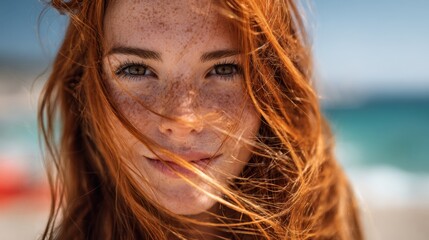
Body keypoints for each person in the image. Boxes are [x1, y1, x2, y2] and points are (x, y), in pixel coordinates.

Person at [38, 0, 363, 239]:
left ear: (273, 86)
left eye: (224, 69)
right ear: (86, 88)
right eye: (136, 69)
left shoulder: (334, 227)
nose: (182, 118)